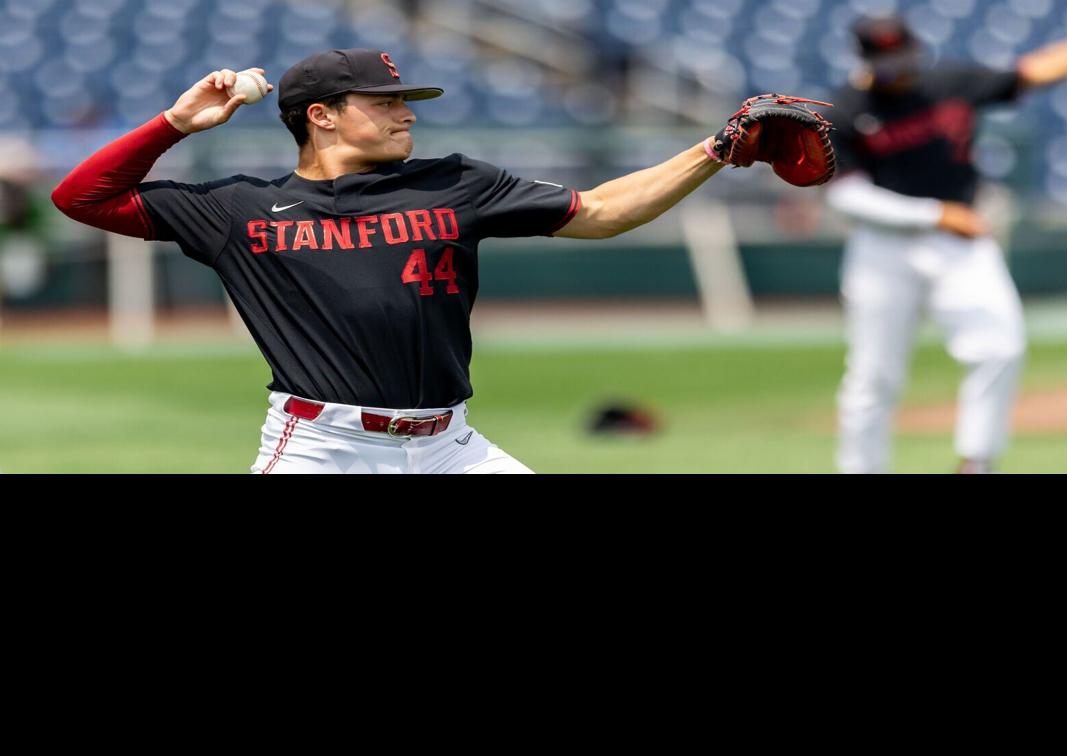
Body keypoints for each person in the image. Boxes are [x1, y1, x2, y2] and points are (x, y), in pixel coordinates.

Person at [51, 48, 799, 473]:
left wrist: (714, 151)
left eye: (403, 98)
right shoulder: (240, 207)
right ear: (321, 115)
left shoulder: (454, 182)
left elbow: (603, 211)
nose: (405, 110)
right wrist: (177, 122)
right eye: (382, 101)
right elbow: (79, 197)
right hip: (323, 449)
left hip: (450, 446)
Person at [825, 1, 1067, 474]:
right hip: (884, 246)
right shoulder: (847, 108)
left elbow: (1038, 71)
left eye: (902, 53)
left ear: (914, 47)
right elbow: (845, 196)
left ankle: (978, 463)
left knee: (1000, 347)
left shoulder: (945, 84)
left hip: (961, 241)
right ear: (865, 60)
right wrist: (933, 214)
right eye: (886, 58)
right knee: (873, 378)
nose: (898, 65)